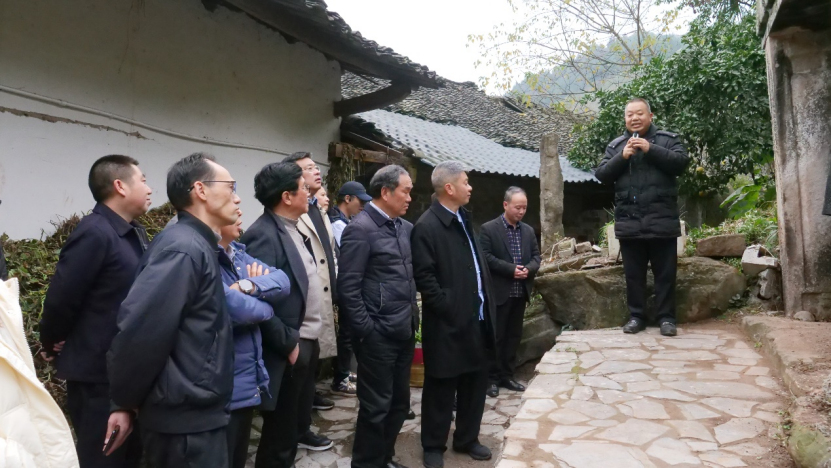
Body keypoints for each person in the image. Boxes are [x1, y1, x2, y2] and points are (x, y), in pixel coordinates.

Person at [108, 153, 240, 467]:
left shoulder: (198, 243)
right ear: (201, 190)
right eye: (230, 187)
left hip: (195, 413)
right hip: (183, 424)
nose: (237, 197)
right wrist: (124, 402)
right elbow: (142, 331)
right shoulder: (183, 248)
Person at [39, 155, 151, 467]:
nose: (149, 188)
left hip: (127, 371)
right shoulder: (95, 232)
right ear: (120, 186)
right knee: (101, 457)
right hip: (97, 376)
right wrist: (52, 341)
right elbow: (63, 297)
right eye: (143, 180)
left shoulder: (135, 232)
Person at [241, 162, 328, 467]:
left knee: (293, 428)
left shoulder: (293, 228)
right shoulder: (263, 235)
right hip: (289, 347)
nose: (309, 193)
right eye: (304, 188)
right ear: (287, 196)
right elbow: (257, 302)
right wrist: (289, 344)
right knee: (279, 434)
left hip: (306, 342)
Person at [412, 161, 497, 468]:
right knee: (441, 385)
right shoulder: (427, 226)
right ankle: (433, 445)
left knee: (475, 382)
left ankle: (467, 439)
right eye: (465, 182)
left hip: (477, 317)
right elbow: (425, 278)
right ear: (449, 188)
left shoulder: (463, 218)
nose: (470, 187)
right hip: (447, 322)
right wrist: (449, 307)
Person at [338, 165, 418, 468]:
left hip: (403, 330)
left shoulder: (403, 227)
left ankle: (384, 458)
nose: (409, 198)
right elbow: (348, 288)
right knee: (375, 408)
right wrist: (367, 330)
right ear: (385, 192)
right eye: (405, 191)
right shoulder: (360, 229)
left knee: (399, 404)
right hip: (377, 337)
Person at [595, 98, 689, 337]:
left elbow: (681, 163)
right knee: (633, 275)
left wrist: (650, 148)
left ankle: (666, 319)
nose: (634, 118)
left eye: (639, 113)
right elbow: (602, 175)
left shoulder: (668, 140)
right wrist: (622, 156)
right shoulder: (617, 146)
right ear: (625, 119)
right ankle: (636, 317)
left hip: (662, 219)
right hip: (630, 221)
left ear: (650, 116)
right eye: (630, 115)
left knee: (665, 275)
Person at [218, 211, 291, 468]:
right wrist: (263, 300)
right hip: (222, 384)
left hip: (246, 382)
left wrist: (248, 286)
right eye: (230, 201)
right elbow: (236, 311)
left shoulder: (236, 254)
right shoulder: (204, 256)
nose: (239, 210)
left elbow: (282, 280)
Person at [285, 152, 343, 443]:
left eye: (315, 166)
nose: (316, 171)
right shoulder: (294, 214)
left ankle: (303, 419)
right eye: (308, 169)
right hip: (305, 307)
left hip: (322, 298)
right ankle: (297, 429)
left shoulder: (318, 208)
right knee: (300, 374)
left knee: (312, 368)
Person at [478, 187, 541, 398]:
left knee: (513, 337)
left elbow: (536, 257)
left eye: (524, 208)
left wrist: (528, 269)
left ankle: (507, 375)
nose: (521, 211)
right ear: (505, 205)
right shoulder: (489, 229)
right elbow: (485, 256)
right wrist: (510, 269)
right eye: (517, 207)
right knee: (496, 337)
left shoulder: (528, 231)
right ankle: (491, 379)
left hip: (520, 292)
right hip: (499, 292)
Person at [329, 181, 371, 247]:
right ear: (347, 199)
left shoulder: (348, 219)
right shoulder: (337, 224)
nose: (363, 205)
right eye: (361, 201)